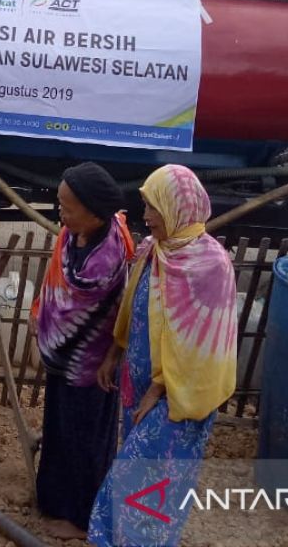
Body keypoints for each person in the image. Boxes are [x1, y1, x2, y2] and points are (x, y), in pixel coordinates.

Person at [88, 164, 237, 547]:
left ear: (178, 208)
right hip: (137, 383)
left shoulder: (210, 265)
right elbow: (133, 308)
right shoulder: (155, 251)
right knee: (141, 478)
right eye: (145, 205)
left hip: (179, 399)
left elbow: (204, 349)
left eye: (154, 207)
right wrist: (114, 354)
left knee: (145, 480)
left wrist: (159, 390)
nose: (146, 216)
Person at [30, 163, 133, 541]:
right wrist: (42, 312)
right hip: (64, 359)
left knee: (84, 439)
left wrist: (54, 326)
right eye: (60, 203)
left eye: (68, 207)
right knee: (58, 428)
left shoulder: (106, 259)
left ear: (93, 212)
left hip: (91, 364)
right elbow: (54, 281)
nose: (61, 213)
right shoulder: (73, 235)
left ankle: (81, 517)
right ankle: (54, 501)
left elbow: (83, 307)